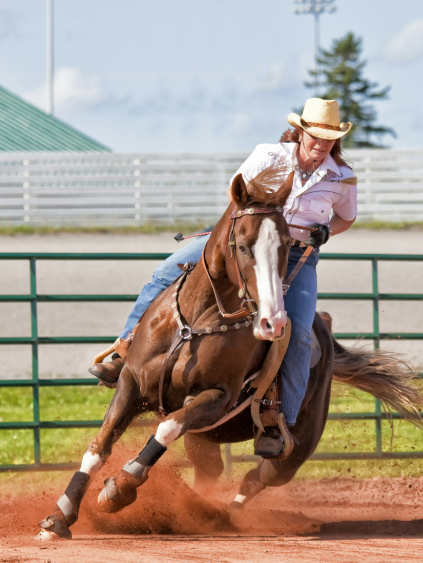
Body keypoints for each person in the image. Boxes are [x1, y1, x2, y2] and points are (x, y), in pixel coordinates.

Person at [89, 98, 358, 457]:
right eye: (315, 135)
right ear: (302, 131)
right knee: (165, 271)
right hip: (243, 240)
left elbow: (347, 217)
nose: (320, 143)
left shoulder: (342, 177)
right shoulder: (269, 155)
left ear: (335, 141)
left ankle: (279, 420)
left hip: (293, 255)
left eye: (327, 138)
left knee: (299, 329)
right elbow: (238, 198)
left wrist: (325, 231)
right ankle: (125, 349)